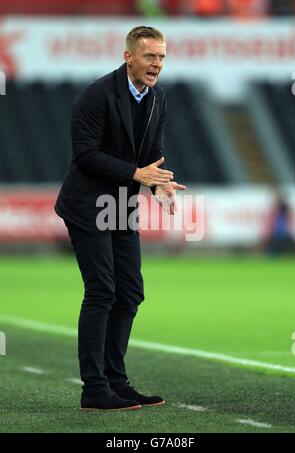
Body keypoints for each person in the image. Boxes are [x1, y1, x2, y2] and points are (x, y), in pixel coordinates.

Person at [55, 25, 186, 411]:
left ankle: (116, 381)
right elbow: (85, 155)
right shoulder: (96, 95)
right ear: (129, 56)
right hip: (87, 203)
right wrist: (136, 174)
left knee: (129, 292)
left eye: (161, 57)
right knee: (102, 291)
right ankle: (94, 390)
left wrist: (159, 183)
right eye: (150, 56)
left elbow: (153, 154)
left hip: (122, 205)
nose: (157, 64)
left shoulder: (158, 97)